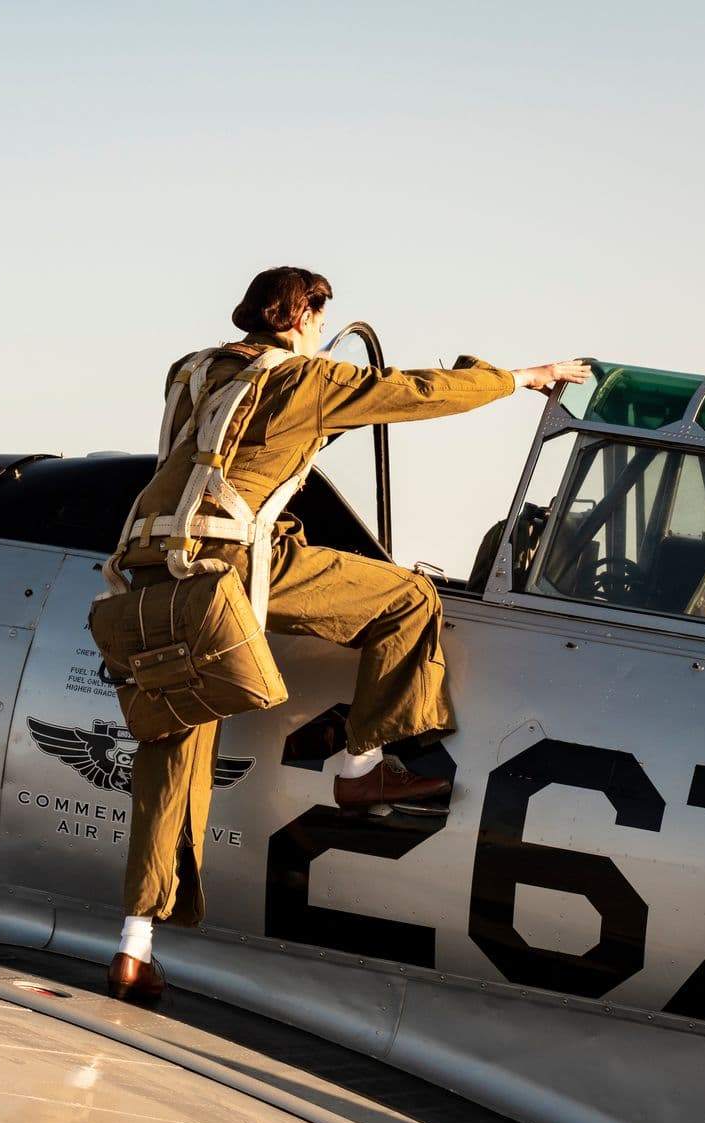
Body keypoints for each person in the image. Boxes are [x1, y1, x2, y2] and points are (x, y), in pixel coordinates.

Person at [106, 266, 590, 1004]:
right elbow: (417, 394)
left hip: (151, 574)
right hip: (234, 571)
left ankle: (134, 947)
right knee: (407, 600)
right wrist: (526, 376)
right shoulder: (306, 380)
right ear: (306, 316)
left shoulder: (192, 371)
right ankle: (363, 768)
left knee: (171, 752)